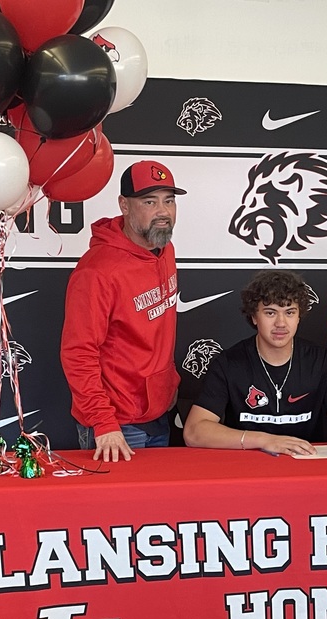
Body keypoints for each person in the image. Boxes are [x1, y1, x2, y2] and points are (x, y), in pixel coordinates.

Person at [60, 160, 185, 462]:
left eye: (169, 201)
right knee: (116, 510)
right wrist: (103, 422)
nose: (163, 213)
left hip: (159, 414)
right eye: (149, 201)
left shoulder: (164, 248)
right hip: (117, 426)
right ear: (124, 205)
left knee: (158, 508)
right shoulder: (98, 271)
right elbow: (78, 353)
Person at [184, 270, 327, 456]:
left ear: (299, 316)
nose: (281, 323)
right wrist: (266, 440)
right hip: (248, 466)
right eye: (270, 312)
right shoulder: (229, 363)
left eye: (289, 312)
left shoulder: (323, 360)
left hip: (306, 463)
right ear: (254, 317)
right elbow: (194, 431)